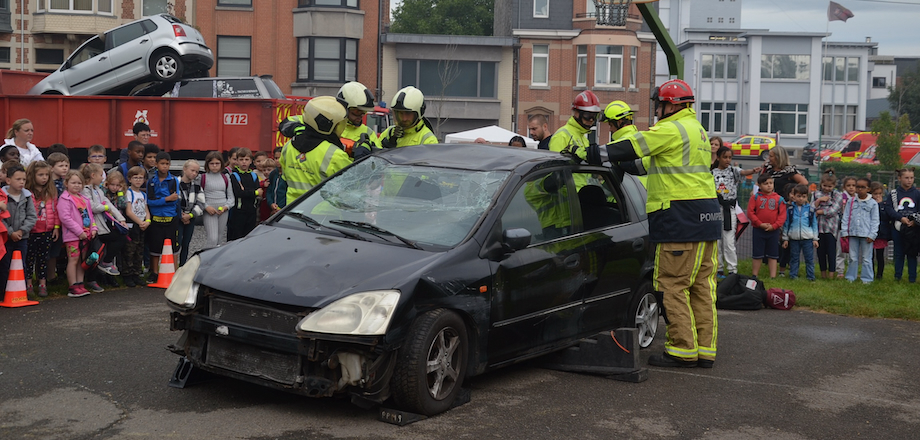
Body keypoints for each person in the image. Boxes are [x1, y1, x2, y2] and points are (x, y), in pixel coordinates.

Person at [579, 79, 721, 368]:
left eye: (659, 104)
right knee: (702, 287)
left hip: (680, 219)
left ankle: (681, 350)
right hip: (707, 218)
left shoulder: (670, 128)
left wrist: (595, 154)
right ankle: (705, 350)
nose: (657, 110)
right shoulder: (698, 131)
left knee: (672, 285)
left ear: (671, 105)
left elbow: (633, 146)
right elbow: (652, 164)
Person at [279, 96, 352, 205]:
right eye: (339, 124)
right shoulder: (335, 155)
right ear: (327, 125)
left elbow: (285, 177)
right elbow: (352, 188)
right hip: (323, 216)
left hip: (292, 211)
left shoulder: (288, 146)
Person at [80, 163, 128, 293]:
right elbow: (93, 207)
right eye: (101, 175)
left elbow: (108, 204)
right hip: (92, 226)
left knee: (117, 241)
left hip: (102, 225)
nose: (103, 178)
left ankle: (105, 264)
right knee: (95, 253)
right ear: (93, 175)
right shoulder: (85, 190)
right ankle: (92, 279)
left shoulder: (98, 190)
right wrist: (104, 207)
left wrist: (121, 219)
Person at [711, 146, 759, 277]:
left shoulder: (733, 171)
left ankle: (732, 269)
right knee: (717, 240)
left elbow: (744, 172)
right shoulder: (712, 173)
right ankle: (719, 268)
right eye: (725, 157)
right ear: (719, 157)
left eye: (730, 157)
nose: (727, 160)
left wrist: (753, 170)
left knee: (729, 240)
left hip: (729, 209)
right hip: (716, 209)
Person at [761, 146, 807, 277]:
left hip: (783, 205)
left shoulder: (789, 170)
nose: (769, 158)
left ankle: (785, 263)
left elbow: (804, 183)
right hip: (769, 206)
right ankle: (771, 261)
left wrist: (792, 195)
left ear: (779, 157)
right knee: (771, 235)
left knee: (784, 236)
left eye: (771, 156)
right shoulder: (769, 169)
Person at [0, 163, 37, 296]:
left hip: (22, 238)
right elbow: (1, 218)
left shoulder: (27, 197)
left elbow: (32, 216)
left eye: (24, 180)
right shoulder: (2, 197)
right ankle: (4, 291)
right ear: (8, 180)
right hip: (5, 238)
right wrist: (10, 232)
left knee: (21, 264)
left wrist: (21, 231)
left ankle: (20, 291)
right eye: (18, 179)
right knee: (5, 265)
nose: (22, 182)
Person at [58, 169, 96, 297]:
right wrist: (79, 232)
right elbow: (65, 218)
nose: (76, 185)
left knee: (82, 260)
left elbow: (90, 216)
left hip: (86, 235)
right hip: (73, 235)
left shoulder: (84, 199)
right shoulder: (65, 199)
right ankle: (73, 285)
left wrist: (94, 228)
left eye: (79, 183)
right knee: (73, 259)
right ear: (66, 183)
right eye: (73, 182)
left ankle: (80, 283)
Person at [145, 151, 181, 284]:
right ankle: (154, 272)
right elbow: (150, 202)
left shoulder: (173, 180)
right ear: (156, 164)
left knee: (173, 246)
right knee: (155, 247)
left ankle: (174, 271)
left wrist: (164, 200)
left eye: (167, 164)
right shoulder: (151, 182)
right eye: (162, 164)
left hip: (171, 218)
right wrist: (166, 199)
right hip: (156, 218)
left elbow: (174, 199)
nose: (164, 167)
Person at [25, 160, 58, 298]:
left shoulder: (50, 192)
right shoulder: (27, 192)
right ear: (33, 176)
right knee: (29, 259)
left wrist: (56, 227)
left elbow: (55, 211)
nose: (44, 178)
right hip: (31, 232)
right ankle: (28, 284)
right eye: (40, 175)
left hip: (47, 231)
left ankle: (42, 283)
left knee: (43, 259)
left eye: (46, 175)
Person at [884, 167, 919, 283]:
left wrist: (915, 222)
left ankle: (912, 278)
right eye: (906, 178)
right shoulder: (893, 194)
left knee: (912, 254)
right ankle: (897, 277)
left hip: (913, 229)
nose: (909, 180)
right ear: (899, 178)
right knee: (899, 253)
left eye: (911, 178)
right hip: (898, 227)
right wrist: (900, 218)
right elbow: (889, 209)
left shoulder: (917, 193)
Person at [748, 173, 786, 279]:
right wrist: (760, 224)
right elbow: (750, 213)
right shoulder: (755, 198)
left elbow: (782, 215)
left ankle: (772, 276)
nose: (769, 185)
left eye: (771, 183)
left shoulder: (779, 199)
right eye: (766, 183)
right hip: (758, 230)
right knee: (757, 254)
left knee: (773, 254)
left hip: (773, 231)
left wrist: (774, 226)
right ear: (759, 186)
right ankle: (754, 275)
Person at [842, 178, 879, 284]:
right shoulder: (851, 201)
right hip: (853, 233)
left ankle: (867, 279)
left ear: (868, 189)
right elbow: (846, 216)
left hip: (867, 234)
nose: (859, 189)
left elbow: (875, 220)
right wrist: (844, 231)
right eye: (858, 187)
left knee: (867, 258)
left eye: (863, 187)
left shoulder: (873, 203)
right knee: (853, 257)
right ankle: (850, 277)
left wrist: (872, 234)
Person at [336, 82, 382, 160]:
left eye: (364, 111)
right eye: (357, 111)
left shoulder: (368, 133)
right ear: (344, 108)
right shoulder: (332, 127)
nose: (361, 115)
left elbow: (379, 160)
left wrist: (372, 151)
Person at [782, 184, 819, 281]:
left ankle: (811, 277)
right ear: (793, 196)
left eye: (803, 196)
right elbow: (786, 224)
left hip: (808, 238)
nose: (801, 199)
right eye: (798, 196)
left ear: (807, 197)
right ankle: (793, 275)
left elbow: (814, 224)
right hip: (794, 238)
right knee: (794, 258)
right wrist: (785, 238)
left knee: (809, 259)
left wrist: (815, 238)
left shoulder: (810, 210)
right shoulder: (790, 210)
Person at [812, 170, 844, 279]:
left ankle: (831, 274)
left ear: (834, 185)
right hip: (819, 227)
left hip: (831, 228)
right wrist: (819, 201)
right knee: (820, 252)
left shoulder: (838, 195)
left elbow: (833, 210)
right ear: (821, 184)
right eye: (824, 185)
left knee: (831, 252)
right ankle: (823, 274)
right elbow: (811, 209)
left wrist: (820, 211)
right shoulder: (816, 194)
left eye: (829, 186)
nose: (826, 188)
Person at [123, 166, 150, 287]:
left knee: (139, 250)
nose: (138, 180)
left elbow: (146, 210)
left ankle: (136, 273)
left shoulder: (143, 194)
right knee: (130, 251)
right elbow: (129, 211)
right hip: (132, 225)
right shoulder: (128, 193)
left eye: (141, 178)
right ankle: (127, 275)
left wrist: (148, 221)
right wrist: (140, 222)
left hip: (142, 225)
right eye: (135, 178)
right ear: (129, 179)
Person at [549, 91, 600, 155]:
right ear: (576, 113)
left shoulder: (584, 138)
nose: (591, 119)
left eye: (595, 116)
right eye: (587, 115)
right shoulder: (561, 136)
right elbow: (555, 163)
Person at [201, 151, 234, 248]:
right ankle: (206, 261)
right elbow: (199, 197)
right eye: (212, 163)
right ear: (207, 164)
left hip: (223, 211)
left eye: (217, 163)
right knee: (212, 239)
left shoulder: (226, 177)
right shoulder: (203, 177)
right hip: (209, 211)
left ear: (221, 164)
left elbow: (231, 198)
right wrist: (206, 207)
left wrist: (225, 207)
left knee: (219, 239)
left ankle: (215, 262)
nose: (214, 166)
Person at [228, 148, 261, 241]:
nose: (244, 162)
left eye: (246, 160)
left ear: (251, 161)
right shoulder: (234, 175)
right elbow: (239, 193)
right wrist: (254, 192)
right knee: (237, 237)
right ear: (237, 161)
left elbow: (260, 191)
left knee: (249, 237)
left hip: (252, 211)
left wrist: (246, 191)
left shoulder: (253, 175)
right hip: (239, 212)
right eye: (241, 159)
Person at [176, 159, 205, 266]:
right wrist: (181, 215)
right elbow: (174, 201)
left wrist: (190, 215)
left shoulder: (197, 186)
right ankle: (173, 266)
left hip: (190, 218)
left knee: (186, 243)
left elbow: (201, 203)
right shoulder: (175, 183)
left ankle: (182, 265)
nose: (194, 174)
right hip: (178, 218)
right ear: (184, 169)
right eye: (192, 170)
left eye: (196, 172)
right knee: (176, 243)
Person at [871, 181, 893, 280]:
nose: (877, 196)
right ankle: (870, 272)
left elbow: (885, 217)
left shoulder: (884, 205)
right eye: (875, 194)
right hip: (870, 233)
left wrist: (879, 205)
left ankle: (879, 275)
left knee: (880, 256)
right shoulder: (868, 204)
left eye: (880, 194)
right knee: (869, 256)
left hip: (881, 233)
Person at [836, 176, 858, 279]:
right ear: (844, 187)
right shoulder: (841, 197)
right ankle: (840, 271)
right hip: (843, 227)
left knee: (852, 252)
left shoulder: (859, 198)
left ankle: (851, 271)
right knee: (841, 250)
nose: (851, 188)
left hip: (855, 229)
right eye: (848, 185)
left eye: (854, 185)